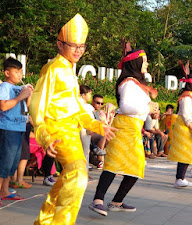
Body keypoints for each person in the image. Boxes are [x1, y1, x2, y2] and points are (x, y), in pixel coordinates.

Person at [30, 14, 116, 225]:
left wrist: (97, 125)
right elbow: (37, 105)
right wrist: (44, 136)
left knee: (68, 178)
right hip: (58, 132)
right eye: (73, 45)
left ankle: (45, 221)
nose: (78, 50)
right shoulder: (53, 69)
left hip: (71, 133)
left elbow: (76, 107)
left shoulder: (69, 69)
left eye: (82, 46)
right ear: (60, 44)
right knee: (78, 175)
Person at [89, 45, 157, 216]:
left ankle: (116, 201)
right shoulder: (128, 83)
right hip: (124, 126)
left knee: (136, 166)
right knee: (113, 164)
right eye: (145, 61)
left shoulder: (136, 83)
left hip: (133, 128)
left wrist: (150, 110)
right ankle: (97, 200)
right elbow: (126, 106)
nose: (147, 64)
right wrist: (147, 108)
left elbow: (139, 108)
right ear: (136, 62)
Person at [0, 57, 33, 202]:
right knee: (4, 162)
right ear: (7, 73)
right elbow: (3, 106)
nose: (20, 75)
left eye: (21, 72)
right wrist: (21, 96)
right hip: (8, 128)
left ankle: (5, 191)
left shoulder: (18, 88)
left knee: (12, 163)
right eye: (16, 71)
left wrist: (28, 95)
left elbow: (26, 108)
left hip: (20, 127)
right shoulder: (5, 87)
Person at [167, 60, 192, 188]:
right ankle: (179, 178)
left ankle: (181, 178)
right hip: (185, 127)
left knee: (186, 153)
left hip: (188, 127)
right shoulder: (187, 97)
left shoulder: (190, 95)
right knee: (184, 153)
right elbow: (186, 115)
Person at [10, 116, 33, 189]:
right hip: (19, 124)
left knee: (21, 154)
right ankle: (17, 180)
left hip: (21, 124)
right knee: (21, 154)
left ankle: (16, 179)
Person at [79, 84, 95, 173]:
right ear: (83, 95)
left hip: (87, 129)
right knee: (84, 150)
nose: (90, 96)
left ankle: (85, 170)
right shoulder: (81, 105)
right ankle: (82, 171)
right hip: (83, 129)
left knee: (86, 150)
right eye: (89, 94)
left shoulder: (86, 105)